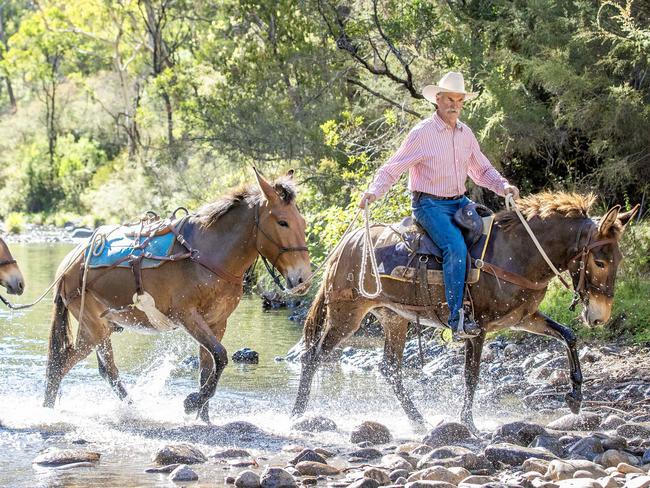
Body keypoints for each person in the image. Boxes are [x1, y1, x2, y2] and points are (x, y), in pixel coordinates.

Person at [359, 71, 519, 339]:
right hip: (428, 205)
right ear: (438, 100)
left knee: (492, 235)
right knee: (454, 247)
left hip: (459, 202)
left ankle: (480, 303)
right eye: (449, 99)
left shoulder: (465, 133)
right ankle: (455, 319)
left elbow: (481, 170)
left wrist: (503, 186)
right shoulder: (422, 133)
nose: (454, 104)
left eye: (459, 100)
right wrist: (373, 191)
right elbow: (394, 167)